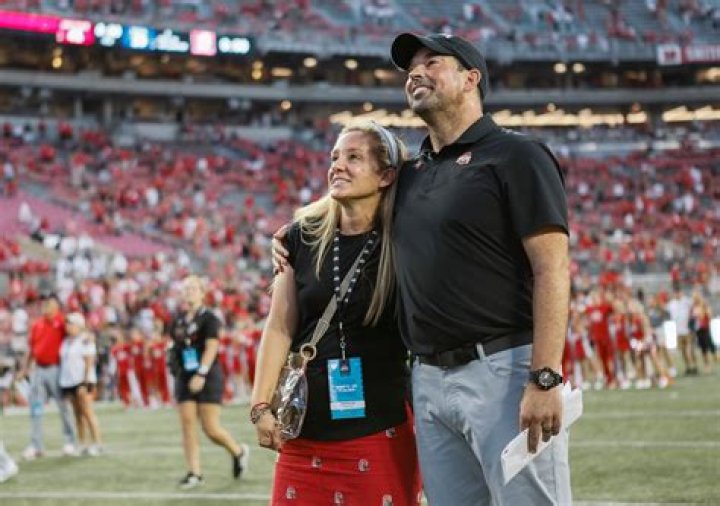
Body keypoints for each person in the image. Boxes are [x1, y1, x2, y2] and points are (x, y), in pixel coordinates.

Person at [274, 33, 571, 505]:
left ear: (470, 78)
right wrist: (291, 234)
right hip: (427, 381)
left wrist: (545, 376)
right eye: (411, 67)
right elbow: (350, 204)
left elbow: (552, 269)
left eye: (432, 62)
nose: (416, 72)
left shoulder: (517, 156)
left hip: (502, 368)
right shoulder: (410, 174)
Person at [253, 122, 421, 505]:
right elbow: (279, 327)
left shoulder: (406, 242)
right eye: (335, 157)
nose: (338, 166)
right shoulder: (300, 237)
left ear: (386, 175)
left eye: (354, 157)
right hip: (302, 432)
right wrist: (260, 405)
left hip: (379, 430)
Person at [169, 275, 249, 489]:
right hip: (185, 375)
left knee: (210, 428)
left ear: (202, 293)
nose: (188, 292)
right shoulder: (177, 320)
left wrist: (201, 373)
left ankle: (238, 451)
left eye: (193, 288)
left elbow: (212, 347)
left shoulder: (210, 318)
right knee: (187, 424)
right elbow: (175, 347)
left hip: (208, 374)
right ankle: (194, 473)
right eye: (185, 288)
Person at [17, 296, 77, 459]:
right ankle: (36, 445)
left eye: (49, 303)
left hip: (57, 369)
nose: (46, 306)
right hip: (39, 369)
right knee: (35, 408)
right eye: (44, 303)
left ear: (56, 306)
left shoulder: (62, 322)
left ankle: (70, 441)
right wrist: (25, 368)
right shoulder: (37, 324)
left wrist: (86, 336)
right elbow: (32, 349)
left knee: (63, 406)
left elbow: (77, 331)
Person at [59, 312, 103, 456]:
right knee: (77, 414)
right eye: (67, 324)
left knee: (87, 412)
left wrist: (84, 382)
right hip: (69, 381)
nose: (68, 326)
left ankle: (97, 443)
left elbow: (89, 361)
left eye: (71, 323)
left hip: (82, 381)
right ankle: (82, 443)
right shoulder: (66, 342)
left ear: (79, 325)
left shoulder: (85, 340)